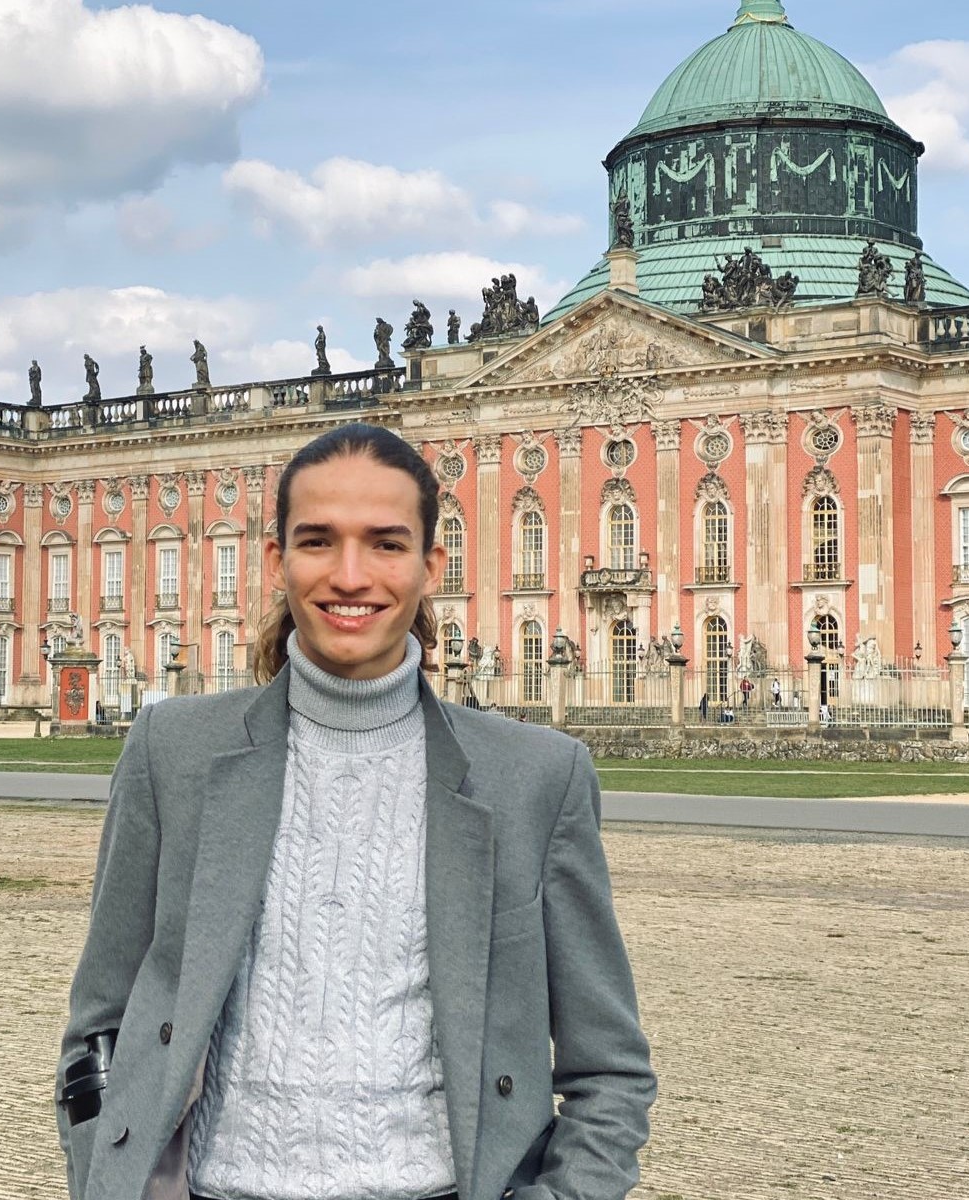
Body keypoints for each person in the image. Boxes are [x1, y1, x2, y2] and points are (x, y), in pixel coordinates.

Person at [56, 423, 654, 1200]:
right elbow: (99, 1023)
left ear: (431, 565)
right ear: (276, 561)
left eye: (385, 543)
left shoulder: (535, 776)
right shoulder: (172, 750)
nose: (350, 575)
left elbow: (609, 1069)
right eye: (317, 541)